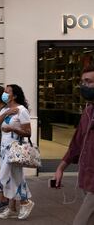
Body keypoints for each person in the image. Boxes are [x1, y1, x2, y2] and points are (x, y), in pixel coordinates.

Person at [54, 64, 94, 225]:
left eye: (88, 81)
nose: (84, 85)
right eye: (82, 82)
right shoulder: (88, 111)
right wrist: (60, 168)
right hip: (87, 179)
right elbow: (76, 144)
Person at [0, 84, 35, 220]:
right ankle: (12, 208)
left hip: (14, 150)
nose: (4, 93)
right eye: (4, 91)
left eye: (7, 91)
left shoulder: (22, 110)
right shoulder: (5, 109)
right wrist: (6, 113)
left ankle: (25, 202)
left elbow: (28, 132)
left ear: (14, 95)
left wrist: (13, 130)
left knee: (13, 177)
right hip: (4, 150)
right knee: (9, 177)